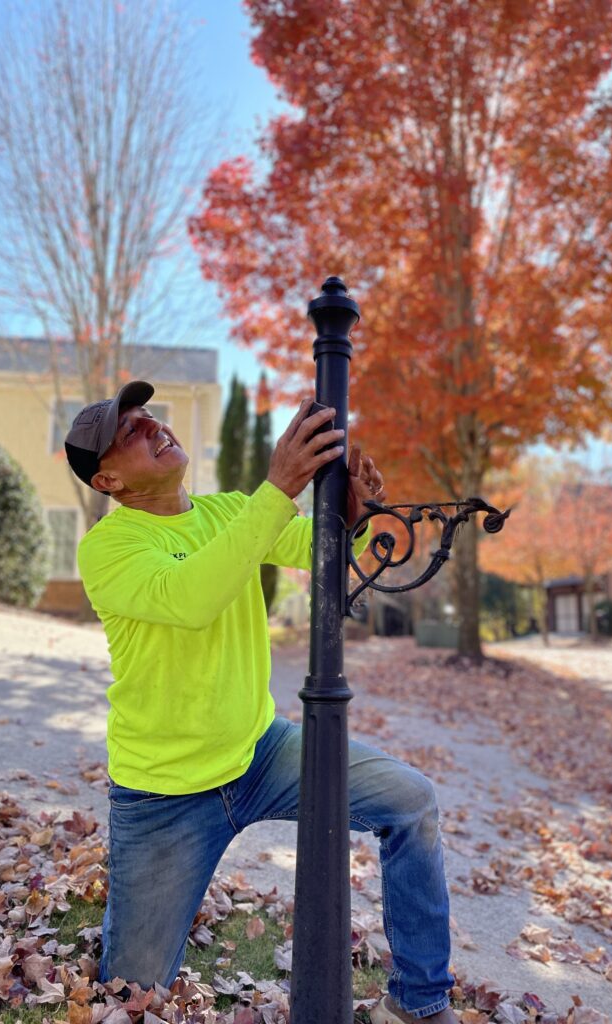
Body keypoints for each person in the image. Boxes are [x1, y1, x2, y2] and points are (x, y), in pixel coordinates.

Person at [64, 379, 457, 1023]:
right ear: (108, 482)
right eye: (129, 432)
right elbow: (192, 596)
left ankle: (419, 1005)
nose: (153, 427)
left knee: (412, 801)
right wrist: (276, 490)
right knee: (130, 996)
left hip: (259, 750)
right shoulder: (108, 548)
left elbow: (322, 552)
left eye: (149, 417)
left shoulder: (225, 513)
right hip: (165, 794)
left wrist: (353, 518)